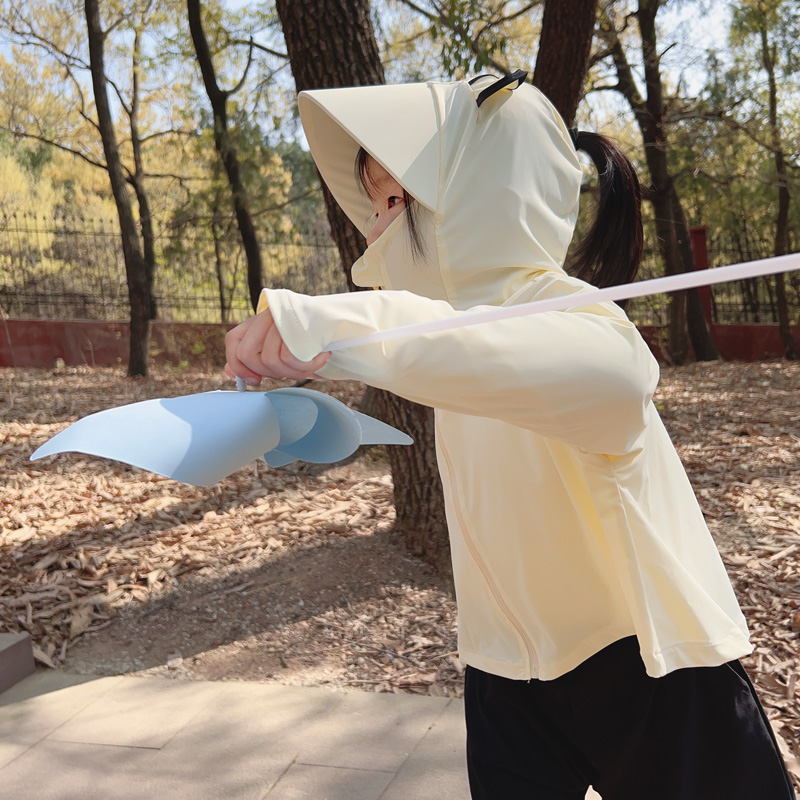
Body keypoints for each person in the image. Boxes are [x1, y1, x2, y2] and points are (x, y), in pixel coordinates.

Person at [225, 73, 794, 799]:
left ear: (481, 192)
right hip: (506, 667)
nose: (374, 231)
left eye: (394, 200)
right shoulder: (444, 338)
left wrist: (329, 326)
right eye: (375, 205)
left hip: (655, 662)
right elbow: (448, 358)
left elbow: (603, 378)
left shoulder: (582, 324)